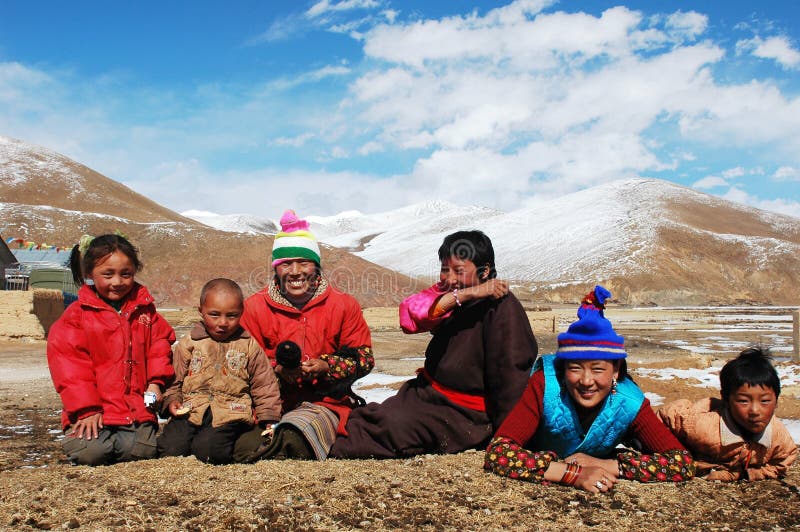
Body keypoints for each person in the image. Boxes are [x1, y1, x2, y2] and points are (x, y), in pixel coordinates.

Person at [328, 230, 538, 459]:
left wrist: (508, 438)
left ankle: (314, 447)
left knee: (387, 428)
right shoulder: (458, 297)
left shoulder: (501, 308)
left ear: (485, 271)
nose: (449, 278)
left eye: (459, 271)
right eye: (445, 269)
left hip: (462, 415)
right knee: (372, 416)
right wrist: (468, 293)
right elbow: (412, 313)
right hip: (428, 395)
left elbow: (510, 375)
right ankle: (316, 430)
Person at [484, 286, 695, 492]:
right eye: (575, 368)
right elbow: (499, 452)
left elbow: (681, 462)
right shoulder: (544, 385)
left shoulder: (629, 401)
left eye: (597, 369)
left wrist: (606, 465)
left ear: (615, 370)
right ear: (562, 368)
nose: (586, 381)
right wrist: (572, 474)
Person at [233, 210, 374, 461]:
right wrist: (277, 370)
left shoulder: (344, 305)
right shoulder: (254, 307)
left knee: (294, 437)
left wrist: (326, 366)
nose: (295, 271)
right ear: (276, 269)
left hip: (327, 402)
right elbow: (241, 360)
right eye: (286, 264)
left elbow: (364, 358)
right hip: (268, 405)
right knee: (241, 447)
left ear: (316, 267)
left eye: (304, 262)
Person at [47, 233, 175, 466]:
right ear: (89, 273)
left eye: (125, 274)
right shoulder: (76, 317)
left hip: (135, 409)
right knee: (92, 453)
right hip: (94, 410)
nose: (117, 282)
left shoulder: (145, 312)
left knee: (139, 452)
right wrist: (86, 410)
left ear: (134, 271)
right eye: (108, 274)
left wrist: (155, 382)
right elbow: (70, 368)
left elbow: (160, 345)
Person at [157, 279, 282, 464]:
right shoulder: (189, 343)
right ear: (200, 311)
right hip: (191, 411)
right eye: (214, 315)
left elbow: (264, 384)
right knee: (170, 448)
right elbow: (174, 380)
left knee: (209, 451)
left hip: (231, 413)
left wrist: (269, 418)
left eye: (232, 316)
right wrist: (172, 400)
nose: (223, 323)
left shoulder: (249, 346)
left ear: (241, 313)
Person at [658, 346, 797, 481]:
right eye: (743, 401)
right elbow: (667, 415)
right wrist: (677, 451)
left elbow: (782, 462)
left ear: (776, 401)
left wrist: (749, 474)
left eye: (765, 401)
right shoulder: (704, 427)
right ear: (726, 400)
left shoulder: (777, 436)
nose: (755, 411)